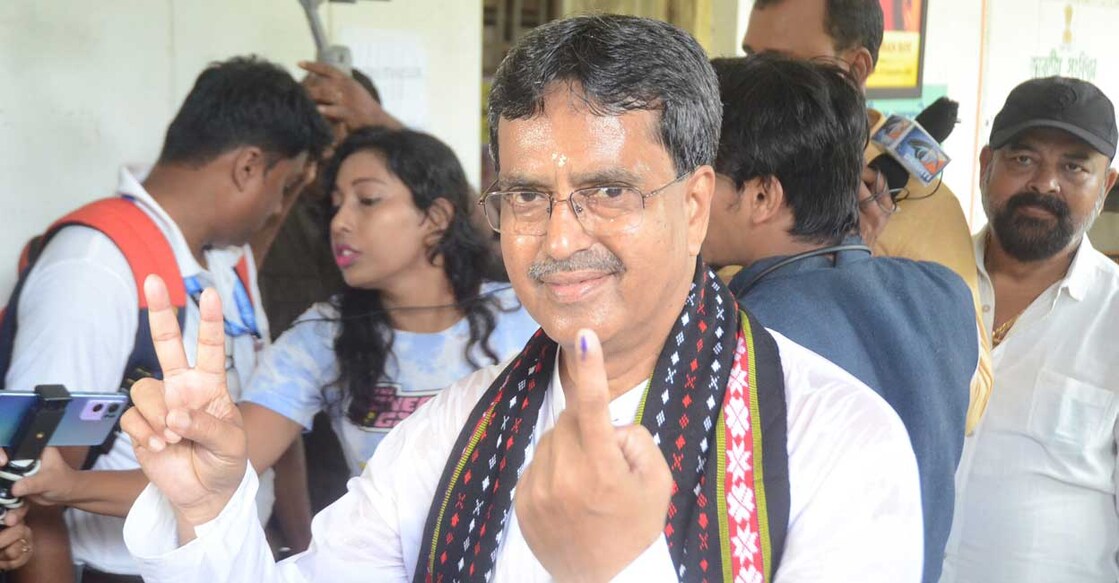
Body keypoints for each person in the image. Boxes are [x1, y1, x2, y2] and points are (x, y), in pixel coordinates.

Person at [120, 15, 922, 582]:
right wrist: (209, 512)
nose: (560, 239)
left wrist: (611, 567)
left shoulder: (835, 440)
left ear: (692, 204)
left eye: (607, 189)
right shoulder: (451, 429)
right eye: (527, 196)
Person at [0, 56, 332, 582]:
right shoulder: (95, 267)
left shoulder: (222, 259)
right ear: (248, 167)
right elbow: (33, 478)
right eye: (284, 186)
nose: (277, 209)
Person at [704, 54, 978, 583]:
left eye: (699, 177)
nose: (682, 200)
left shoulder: (738, 334)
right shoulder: (945, 299)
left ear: (762, 195)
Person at [739, 0, 993, 434]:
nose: (753, 83)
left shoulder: (918, 201)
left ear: (854, 68)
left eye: (779, 65)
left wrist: (857, 277)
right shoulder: (725, 163)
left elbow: (971, 399)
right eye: (750, 59)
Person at [239, 127, 538, 480]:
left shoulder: (527, 314)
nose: (340, 222)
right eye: (336, 205)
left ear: (435, 218)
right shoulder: (323, 334)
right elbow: (231, 464)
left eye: (367, 200)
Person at [942, 77, 1119, 583]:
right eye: (1023, 160)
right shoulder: (924, 286)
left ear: (1105, 187)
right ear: (985, 167)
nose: (1045, 183)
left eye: (1074, 167)